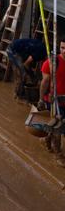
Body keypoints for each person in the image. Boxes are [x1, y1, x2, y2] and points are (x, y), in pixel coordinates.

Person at [39, 39, 65, 167]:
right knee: (58, 127)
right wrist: (40, 99)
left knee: (58, 126)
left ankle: (46, 139)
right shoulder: (52, 63)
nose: (64, 51)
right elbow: (44, 82)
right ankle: (58, 154)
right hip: (55, 100)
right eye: (62, 47)